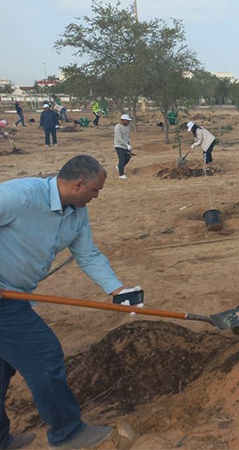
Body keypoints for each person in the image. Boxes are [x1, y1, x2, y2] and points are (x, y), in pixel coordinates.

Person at [0, 155, 142, 448]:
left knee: (2, 368)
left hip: (16, 294)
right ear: (78, 184)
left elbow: (87, 254)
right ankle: (68, 433)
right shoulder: (20, 197)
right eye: (95, 190)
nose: (97, 196)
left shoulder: (76, 212)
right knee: (44, 354)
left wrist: (117, 290)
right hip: (4, 299)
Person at [114, 114, 133, 180]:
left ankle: (119, 167)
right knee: (122, 159)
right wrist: (126, 145)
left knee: (128, 157)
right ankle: (121, 175)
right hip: (119, 145)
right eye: (127, 120)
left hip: (126, 146)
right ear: (123, 120)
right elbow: (119, 138)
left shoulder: (127, 127)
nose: (128, 122)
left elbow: (127, 136)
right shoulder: (117, 127)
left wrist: (129, 143)